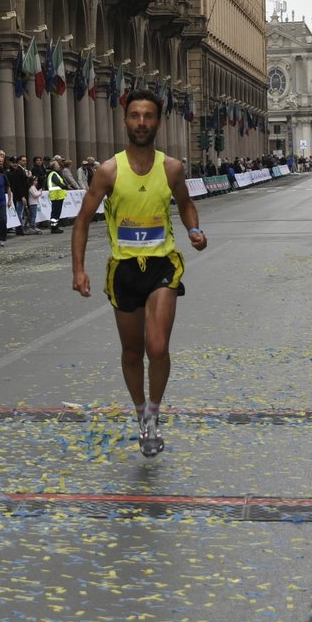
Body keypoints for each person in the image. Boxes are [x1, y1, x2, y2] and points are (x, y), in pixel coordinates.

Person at [70, 90, 207, 457]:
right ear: (126, 121)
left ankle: (154, 414)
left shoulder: (172, 168)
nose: (142, 123)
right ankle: (139, 410)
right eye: (135, 116)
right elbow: (82, 220)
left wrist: (194, 229)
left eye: (148, 116)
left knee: (157, 346)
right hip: (124, 269)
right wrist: (78, 268)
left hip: (162, 266)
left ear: (158, 122)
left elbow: (186, 204)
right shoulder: (109, 171)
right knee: (132, 353)